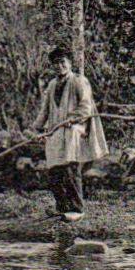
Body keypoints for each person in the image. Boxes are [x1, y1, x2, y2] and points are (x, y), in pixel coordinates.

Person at [31, 46, 108, 221]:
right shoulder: (52, 84)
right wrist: (37, 127)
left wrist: (72, 118)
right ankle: (62, 207)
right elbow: (45, 110)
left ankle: (77, 209)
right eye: (55, 63)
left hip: (75, 131)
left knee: (71, 168)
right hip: (56, 131)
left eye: (62, 62)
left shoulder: (79, 81)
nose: (59, 66)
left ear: (69, 63)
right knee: (54, 171)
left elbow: (86, 107)